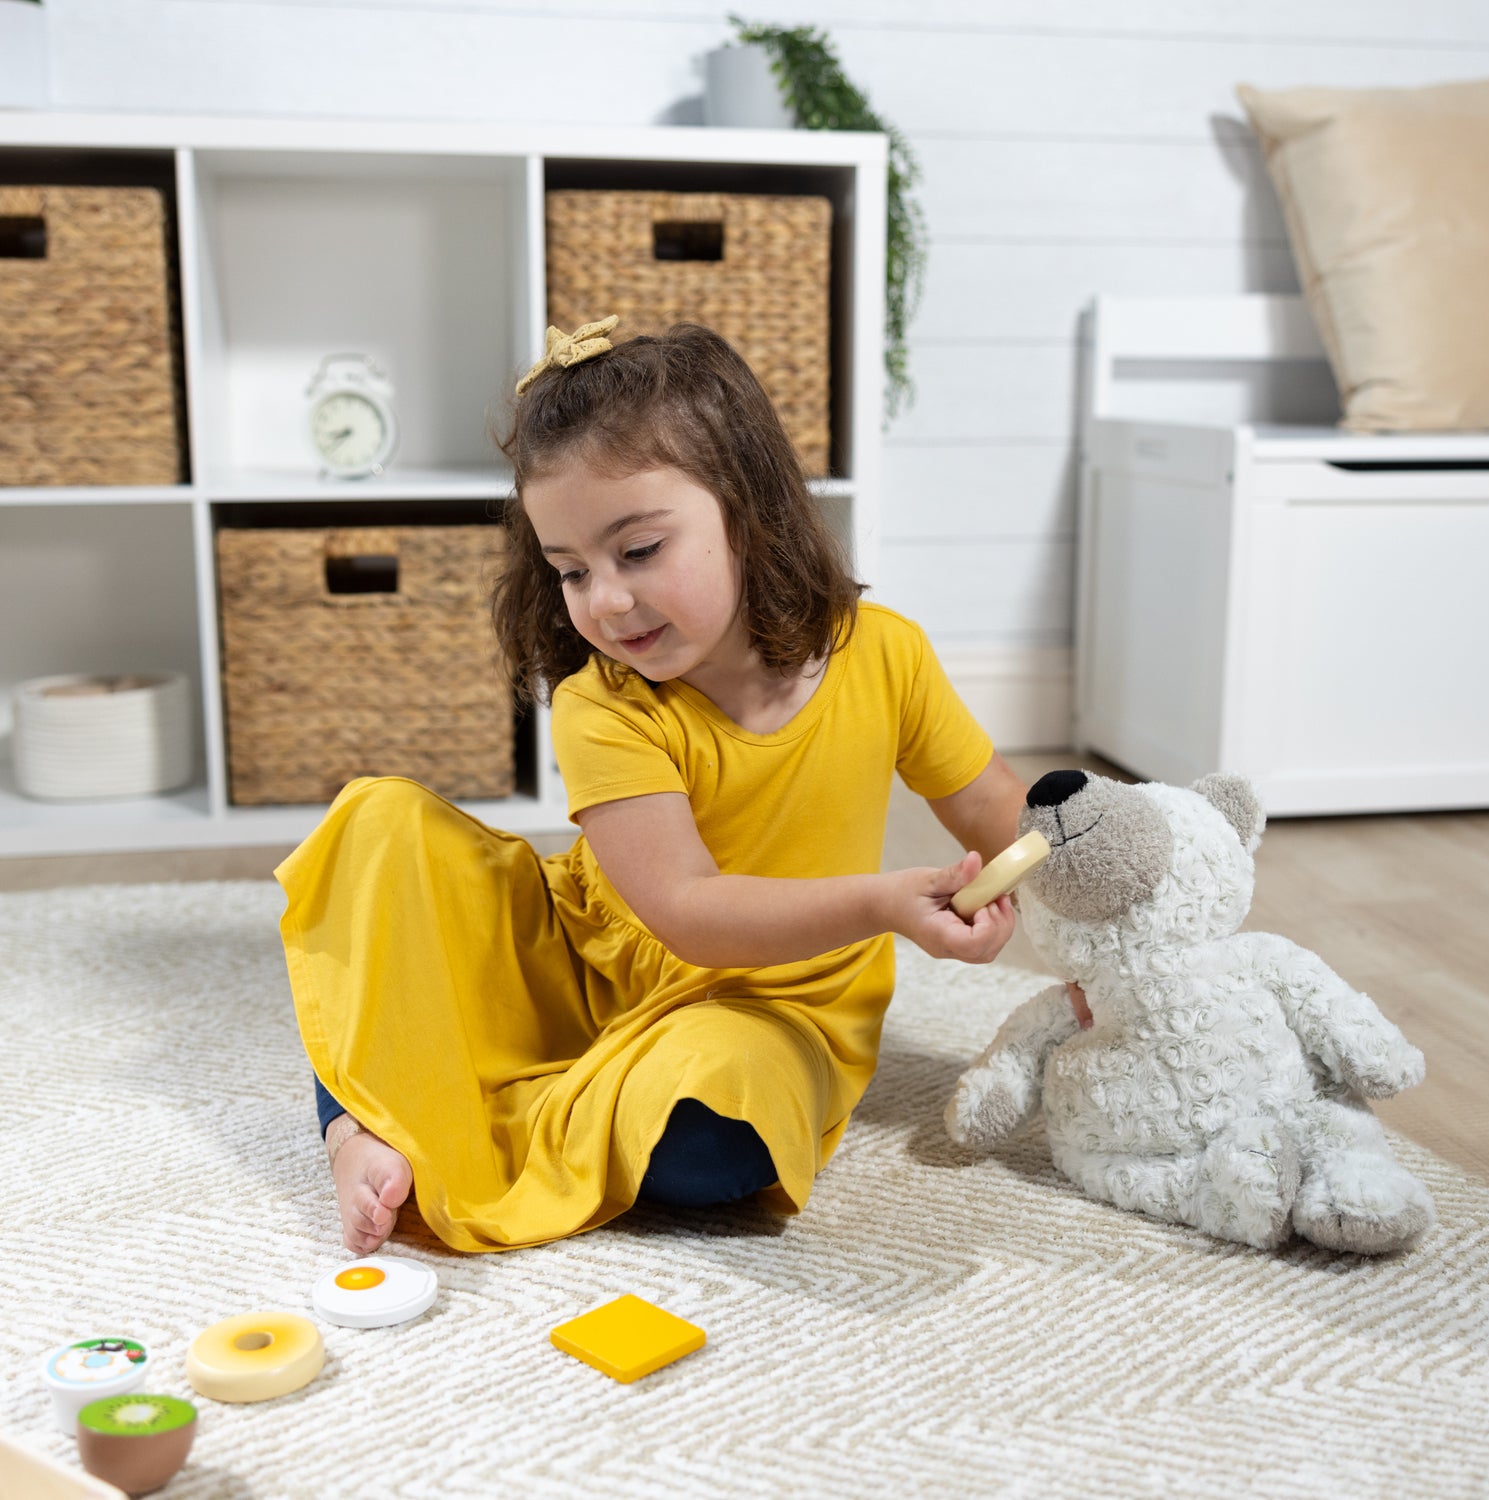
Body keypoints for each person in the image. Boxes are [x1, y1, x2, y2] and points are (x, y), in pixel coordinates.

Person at [277, 315, 1037, 1257]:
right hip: (587, 966)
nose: (605, 601)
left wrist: (1101, 916)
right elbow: (684, 907)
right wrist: (885, 903)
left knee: (712, 1149)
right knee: (374, 841)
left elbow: (995, 806)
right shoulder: (603, 706)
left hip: (771, 1008)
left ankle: (482, 1095)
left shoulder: (884, 655)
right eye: (570, 571)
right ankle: (355, 1127)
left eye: (638, 552)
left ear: (747, 513)